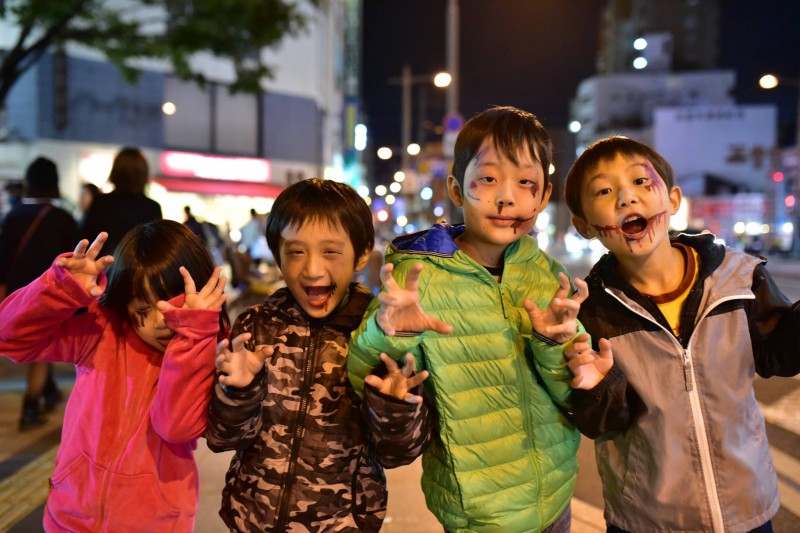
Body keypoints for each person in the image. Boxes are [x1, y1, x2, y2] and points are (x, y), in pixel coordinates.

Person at [348, 106, 590, 533]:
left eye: (525, 183)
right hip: (478, 514)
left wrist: (558, 347)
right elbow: (363, 378)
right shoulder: (418, 276)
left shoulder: (548, 274)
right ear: (457, 190)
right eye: (490, 178)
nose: (507, 197)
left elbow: (574, 397)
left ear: (544, 196)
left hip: (554, 497)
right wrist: (388, 335)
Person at [563, 135, 800, 533]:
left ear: (672, 200)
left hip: (747, 511)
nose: (626, 199)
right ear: (584, 225)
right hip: (646, 520)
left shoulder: (739, 280)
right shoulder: (591, 310)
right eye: (604, 191)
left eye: (641, 182)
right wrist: (597, 387)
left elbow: (780, 355)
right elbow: (600, 423)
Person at [205, 178, 427, 532]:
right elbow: (221, 438)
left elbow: (399, 454)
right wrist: (238, 392)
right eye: (295, 251)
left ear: (362, 253)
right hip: (250, 520)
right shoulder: (254, 327)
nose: (311, 269)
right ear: (276, 252)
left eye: (330, 251)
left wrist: (395, 407)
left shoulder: (377, 335)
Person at [0, 220, 229, 531]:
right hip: (71, 516)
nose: (157, 324)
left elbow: (176, 426)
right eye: (141, 311)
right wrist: (60, 290)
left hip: (154, 524)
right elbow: (9, 338)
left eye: (170, 307)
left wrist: (194, 335)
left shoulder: (208, 350)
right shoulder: (103, 332)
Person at [0, 156, 78, 430]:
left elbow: (4, 260)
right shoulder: (63, 219)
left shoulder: (12, 216)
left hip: (16, 295)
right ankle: (31, 405)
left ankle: (46, 391)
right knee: (43, 347)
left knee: (22, 345)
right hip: (49, 294)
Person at [82, 146, 162, 257]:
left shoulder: (101, 203)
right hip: (139, 271)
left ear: (115, 172)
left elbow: (86, 239)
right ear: (143, 174)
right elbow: (156, 249)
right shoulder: (152, 207)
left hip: (102, 268)